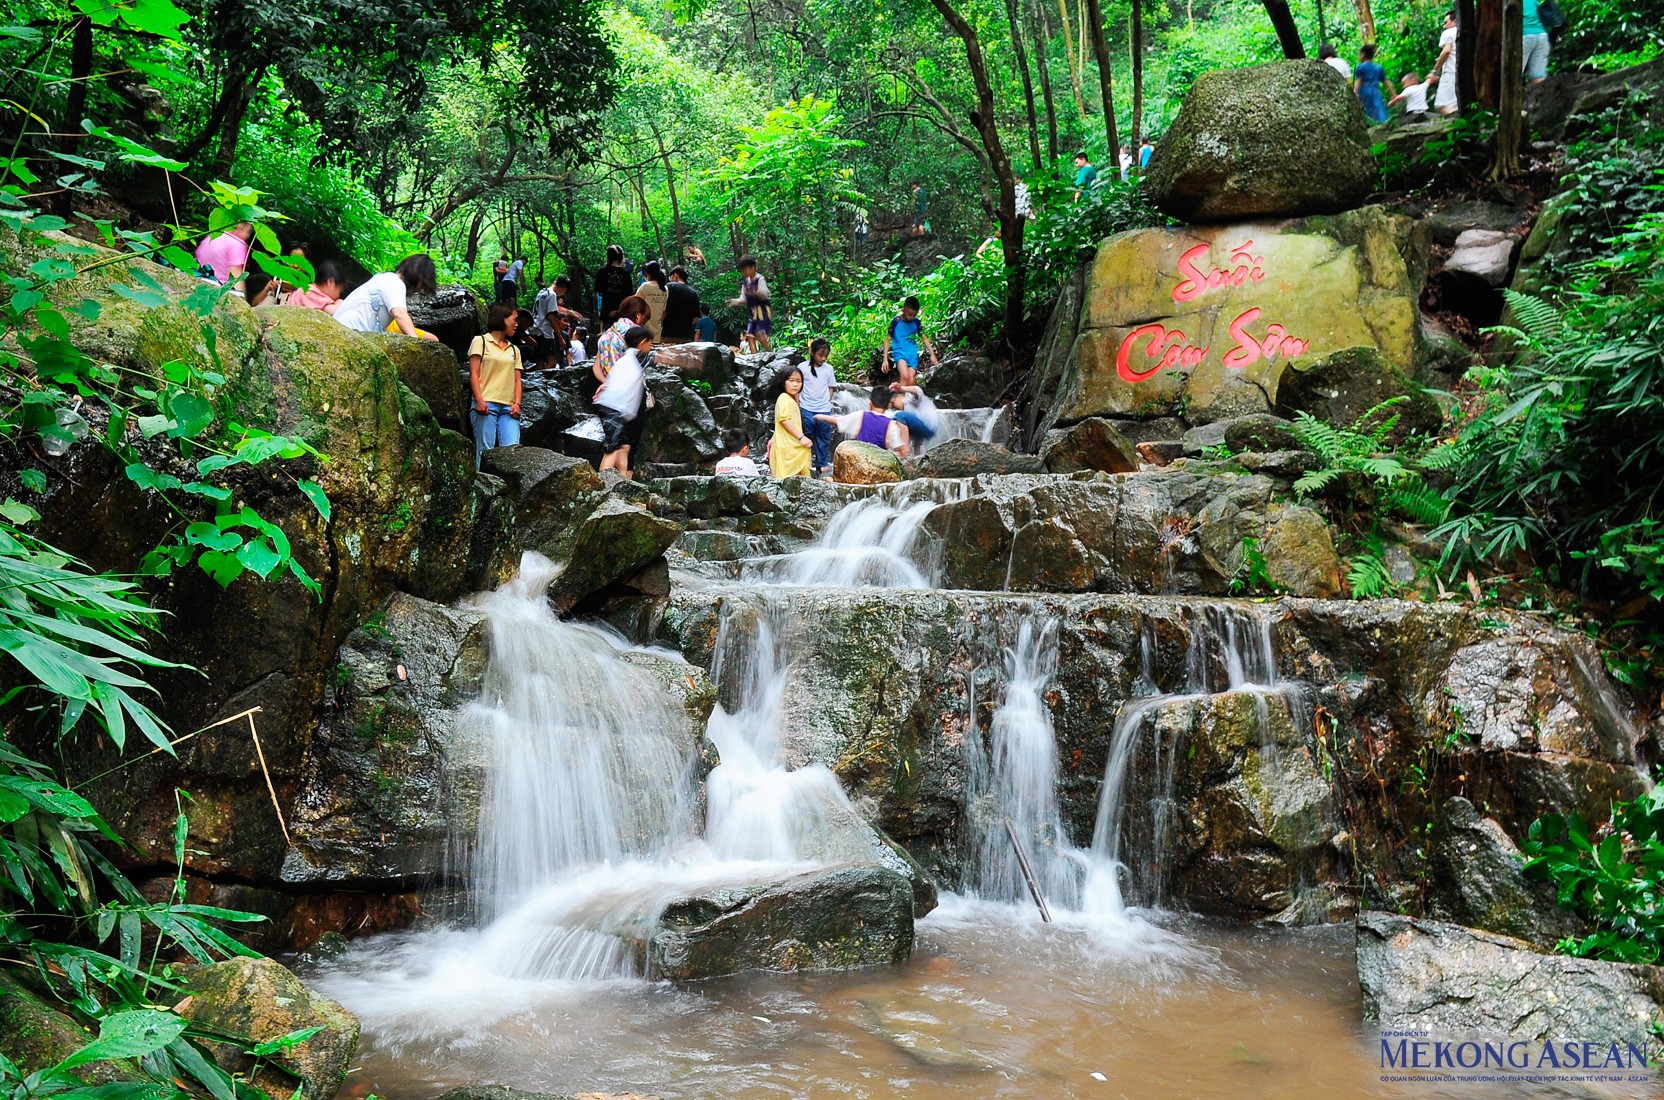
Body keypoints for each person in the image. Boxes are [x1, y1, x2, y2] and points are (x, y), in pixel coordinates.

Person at [467, 302, 524, 469]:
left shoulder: (514, 350)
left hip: (509, 408)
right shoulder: (481, 341)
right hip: (486, 405)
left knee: (513, 452)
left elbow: (517, 380)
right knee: (485, 451)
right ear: (502, 319)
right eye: (514, 319)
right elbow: (474, 374)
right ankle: (483, 492)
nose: (517, 324)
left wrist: (517, 404)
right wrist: (479, 400)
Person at [334, 254, 439, 340]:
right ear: (418, 277)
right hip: (349, 331)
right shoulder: (394, 282)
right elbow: (400, 314)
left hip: (344, 329)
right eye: (423, 285)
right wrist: (416, 342)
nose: (420, 290)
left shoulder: (384, 279)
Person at [594, 325, 651, 479]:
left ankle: (623, 483)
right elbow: (664, 356)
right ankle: (603, 486)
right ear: (643, 343)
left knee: (624, 448)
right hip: (614, 409)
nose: (650, 348)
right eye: (650, 344)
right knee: (612, 450)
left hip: (609, 407)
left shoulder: (624, 359)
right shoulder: (639, 357)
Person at [816, 385, 909, 456]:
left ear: (870, 403)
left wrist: (821, 416)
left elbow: (837, 421)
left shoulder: (860, 415)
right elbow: (903, 451)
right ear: (888, 405)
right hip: (877, 466)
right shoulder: (891, 425)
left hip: (857, 461)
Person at [799, 338, 837, 477]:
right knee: (808, 434)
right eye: (820, 355)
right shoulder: (803, 367)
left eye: (826, 356)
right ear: (812, 352)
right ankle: (808, 462)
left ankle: (822, 464)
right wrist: (798, 404)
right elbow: (798, 385)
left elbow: (831, 387)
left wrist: (827, 400)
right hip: (806, 407)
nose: (823, 358)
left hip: (823, 408)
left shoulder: (828, 369)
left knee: (824, 436)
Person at [882, 296, 938, 387]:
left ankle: (900, 396)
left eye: (914, 315)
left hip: (912, 355)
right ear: (903, 309)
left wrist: (932, 354)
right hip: (900, 353)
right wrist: (885, 359)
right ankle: (899, 399)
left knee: (911, 381)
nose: (912, 317)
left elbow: (924, 337)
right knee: (905, 377)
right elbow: (887, 340)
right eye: (910, 314)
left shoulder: (916, 322)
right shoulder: (896, 322)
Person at [594, 295, 650, 384]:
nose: (644, 325)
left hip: (610, 386)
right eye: (645, 320)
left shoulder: (607, 334)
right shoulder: (636, 332)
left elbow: (596, 367)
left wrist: (607, 384)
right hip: (628, 386)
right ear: (638, 315)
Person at [770, 367, 813, 478]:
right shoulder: (784, 398)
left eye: (799, 381)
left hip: (791, 446)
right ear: (783, 381)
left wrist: (773, 438)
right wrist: (801, 437)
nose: (795, 384)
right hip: (788, 448)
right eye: (791, 380)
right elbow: (784, 420)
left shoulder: (791, 399)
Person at [729, 256, 772, 353]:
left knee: (759, 333)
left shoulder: (760, 279)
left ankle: (769, 352)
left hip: (763, 311)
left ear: (753, 268)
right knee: (750, 335)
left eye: (745, 269)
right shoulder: (745, 283)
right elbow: (743, 299)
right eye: (742, 270)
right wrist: (734, 302)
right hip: (752, 313)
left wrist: (756, 293)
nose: (743, 272)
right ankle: (754, 357)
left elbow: (765, 293)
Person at [194, 221, 252, 287]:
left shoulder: (213, 236)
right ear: (242, 227)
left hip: (198, 279)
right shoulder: (237, 244)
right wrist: (242, 295)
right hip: (217, 287)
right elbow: (235, 279)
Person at [888, 383, 941, 452]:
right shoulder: (909, 415)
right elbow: (917, 441)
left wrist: (900, 388)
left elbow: (917, 390)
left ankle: (905, 453)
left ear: (899, 396)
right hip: (928, 429)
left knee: (899, 415)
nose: (894, 407)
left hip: (929, 425)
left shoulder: (908, 399)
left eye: (893, 403)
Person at [595, 244, 634, 324]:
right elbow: (629, 295)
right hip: (622, 313)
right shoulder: (626, 274)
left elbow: (599, 291)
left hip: (606, 311)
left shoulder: (602, 272)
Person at [662, 266, 701, 343]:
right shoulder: (693, 293)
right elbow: (696, 319)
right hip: (686, 337)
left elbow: (663, 310)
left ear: (675, 275)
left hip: (668, 335)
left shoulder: (669, 287)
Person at [1432, 11, 1459, 115]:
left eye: (1446, 22)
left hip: (1450, 72)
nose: (1444, 26)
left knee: (1441, 104)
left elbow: (1446, 51)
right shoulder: (1466, 33)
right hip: (1465, 72)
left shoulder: (1448, 33)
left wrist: (1435, 70)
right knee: (1457, 103)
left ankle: (1457, 124)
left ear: (1455, 21)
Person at [1354, 44, 1390, 124]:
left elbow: (1358, 81)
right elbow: (1386, 81)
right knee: (1378, 107)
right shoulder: (1378, 67)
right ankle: (1382, 123)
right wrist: (1393, 94)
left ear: (1363, 54)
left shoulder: (1361, 67)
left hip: (1364, 91)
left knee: (1366, 108)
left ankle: (1369, 124)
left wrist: (1355, 92)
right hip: (1375, 90)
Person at [635, 260, 669, 340]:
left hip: (644, 330)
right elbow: (664, 312)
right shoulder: (665, 289)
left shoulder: (645, 286)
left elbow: (635, 303)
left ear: (647, 273)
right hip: (657, 332)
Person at [1522, 0, 1550, 83]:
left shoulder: (1515, 3)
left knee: (1513, 71)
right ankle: (1538, 94)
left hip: (1525, 36)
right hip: (1542, 37)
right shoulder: (1534, 2)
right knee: (1538, 75)